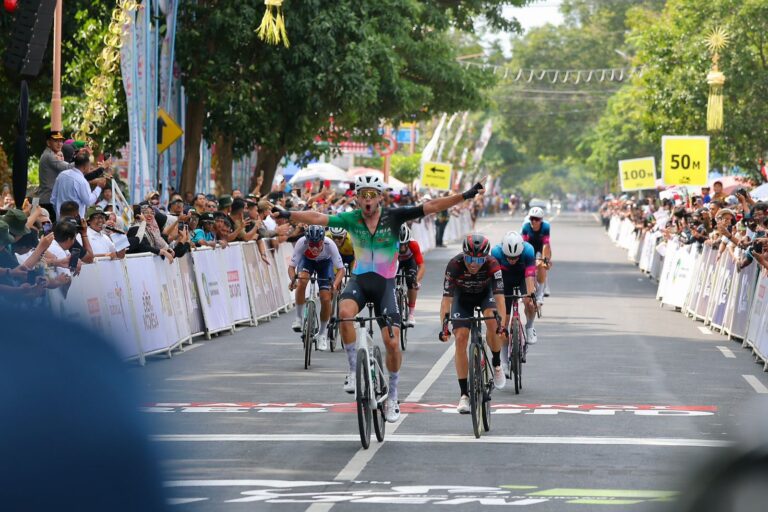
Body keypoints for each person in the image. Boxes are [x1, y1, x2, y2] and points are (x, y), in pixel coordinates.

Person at [273, 174, 485, 423]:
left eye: (373, 194)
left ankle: (393, 397)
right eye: (363, 194)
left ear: (380, 197)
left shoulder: (394, 217)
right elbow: (318, 218)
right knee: (343, 313)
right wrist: (289, 215)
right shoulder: (350, 219)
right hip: (361, 281)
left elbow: (433, 206)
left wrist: (465, 195)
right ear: (357, 198)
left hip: (385, 284)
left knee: (392, 343)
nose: (368, 199)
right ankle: (353, 370)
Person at [438, 234, 507, 413]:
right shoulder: (454, 265)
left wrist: (503, 326)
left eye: (478, 260)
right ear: (463, 255)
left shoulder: (493, 264)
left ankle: (497, 363)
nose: (474, 264)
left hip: (486, 295)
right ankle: (464, 395)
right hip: (463, 298)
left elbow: (500, 300)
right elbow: (446, 300)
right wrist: (444, 327)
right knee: (460, 338)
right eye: (469, 259)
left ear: (486, 258)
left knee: (493, 321)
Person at [288, 225, 344, 351]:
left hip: (325, 265)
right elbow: (291, 267)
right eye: (311, 244)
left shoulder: (330, 244)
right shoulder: (301, 242)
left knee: (325, 298)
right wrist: (293, 280)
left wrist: (335, 284)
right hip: (307, 261)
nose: (314, 248)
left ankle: (322, 334)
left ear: (322, 241)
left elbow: (341, 270)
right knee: (302, 282)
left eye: (317, 244)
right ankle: (298, 318)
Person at [490, 231, 538, 347]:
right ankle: (504, 362)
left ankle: (530, 326)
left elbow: (529, 276)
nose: (512, 260)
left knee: (530, 302)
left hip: (523, 277)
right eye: (509, 257)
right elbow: (494, 278)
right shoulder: (496, 252)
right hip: (505, 280)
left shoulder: (528, 250)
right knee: (503, 323)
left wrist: (530, 295)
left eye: (515, 257)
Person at [51, 151, 106, 219]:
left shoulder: (62, 174)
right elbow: (89, 201)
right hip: (75, 222)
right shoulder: (81, 181)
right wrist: (99, 187)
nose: (90, 167)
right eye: (89, 165)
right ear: (85, 166)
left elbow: (53, 199)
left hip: (60, 218)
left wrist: (58, 212)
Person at [38, 131, 73, 221]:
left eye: (61, 141)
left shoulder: (50, 154)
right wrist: (82, 160)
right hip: (48, 200)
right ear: (48, 142)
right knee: (50, 231)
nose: (59, 144)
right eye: (56, 141)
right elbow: (68, 167)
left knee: (52, 230)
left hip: (49, 199)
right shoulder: (49, 156)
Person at [521, 206, 551, 305]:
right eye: (532, 218)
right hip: (530, 247)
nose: (534, 221)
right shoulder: (525, 227)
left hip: (541, 247)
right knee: (525, 266)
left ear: (541, 220)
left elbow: (546, 244)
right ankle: (526, 291)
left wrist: (544, 259)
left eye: (537, 219)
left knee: (543, 265)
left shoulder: (546, 226)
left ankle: (540, 294)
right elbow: (524, 245)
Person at [396, 224, 425, 327]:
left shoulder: (413, 244)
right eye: (400, 244)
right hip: (395, 260)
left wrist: (416, 281)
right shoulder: (390, 244)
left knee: (411, 282)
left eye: (405, 244)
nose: (403, 247)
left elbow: (421, 266)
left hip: (409, 261)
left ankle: (411, 314)